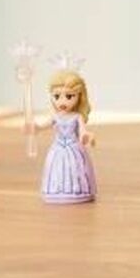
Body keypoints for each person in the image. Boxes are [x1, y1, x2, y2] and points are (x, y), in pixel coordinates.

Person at [41, 67, 96, 204]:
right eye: (57, 96)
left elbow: (83, 132)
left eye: (69, 96)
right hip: (58, 148)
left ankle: (78, 191)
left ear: (79, 96)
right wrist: (34, 127)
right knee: (57, 168)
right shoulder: (55, 116)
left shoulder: (77, 117)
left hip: (74, 147)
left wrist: (86, 136)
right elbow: (44, 125)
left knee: (75, 168)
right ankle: (56, 190)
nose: (62, 101)